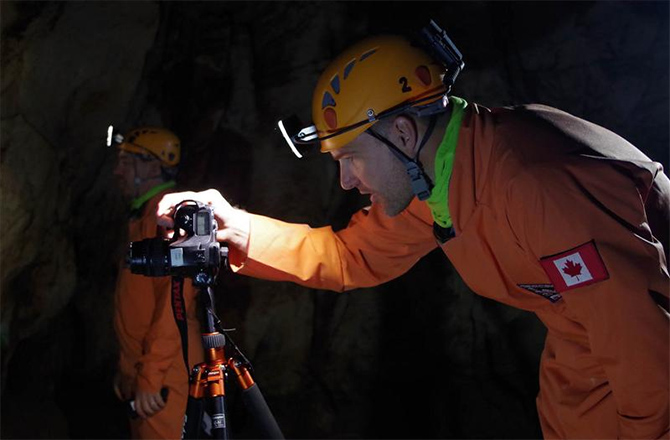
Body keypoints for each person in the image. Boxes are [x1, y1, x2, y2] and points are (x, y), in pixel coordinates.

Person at [157, 34, 669, 439]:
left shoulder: (533, 184)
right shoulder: (442, 178)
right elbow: (348, 255)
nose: (346, 181)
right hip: (588, 365)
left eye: (351, 158)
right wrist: (235, 224)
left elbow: (644, 348)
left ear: (401, 133)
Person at [112, 127, 204, 439]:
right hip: (145, 374)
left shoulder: (166, 218)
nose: (117, 171)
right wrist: (129, 372)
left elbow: (174, 305)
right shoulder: (142, 218)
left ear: (153, 166)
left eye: (127, 162)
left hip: (166, 376)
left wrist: (150, 376)